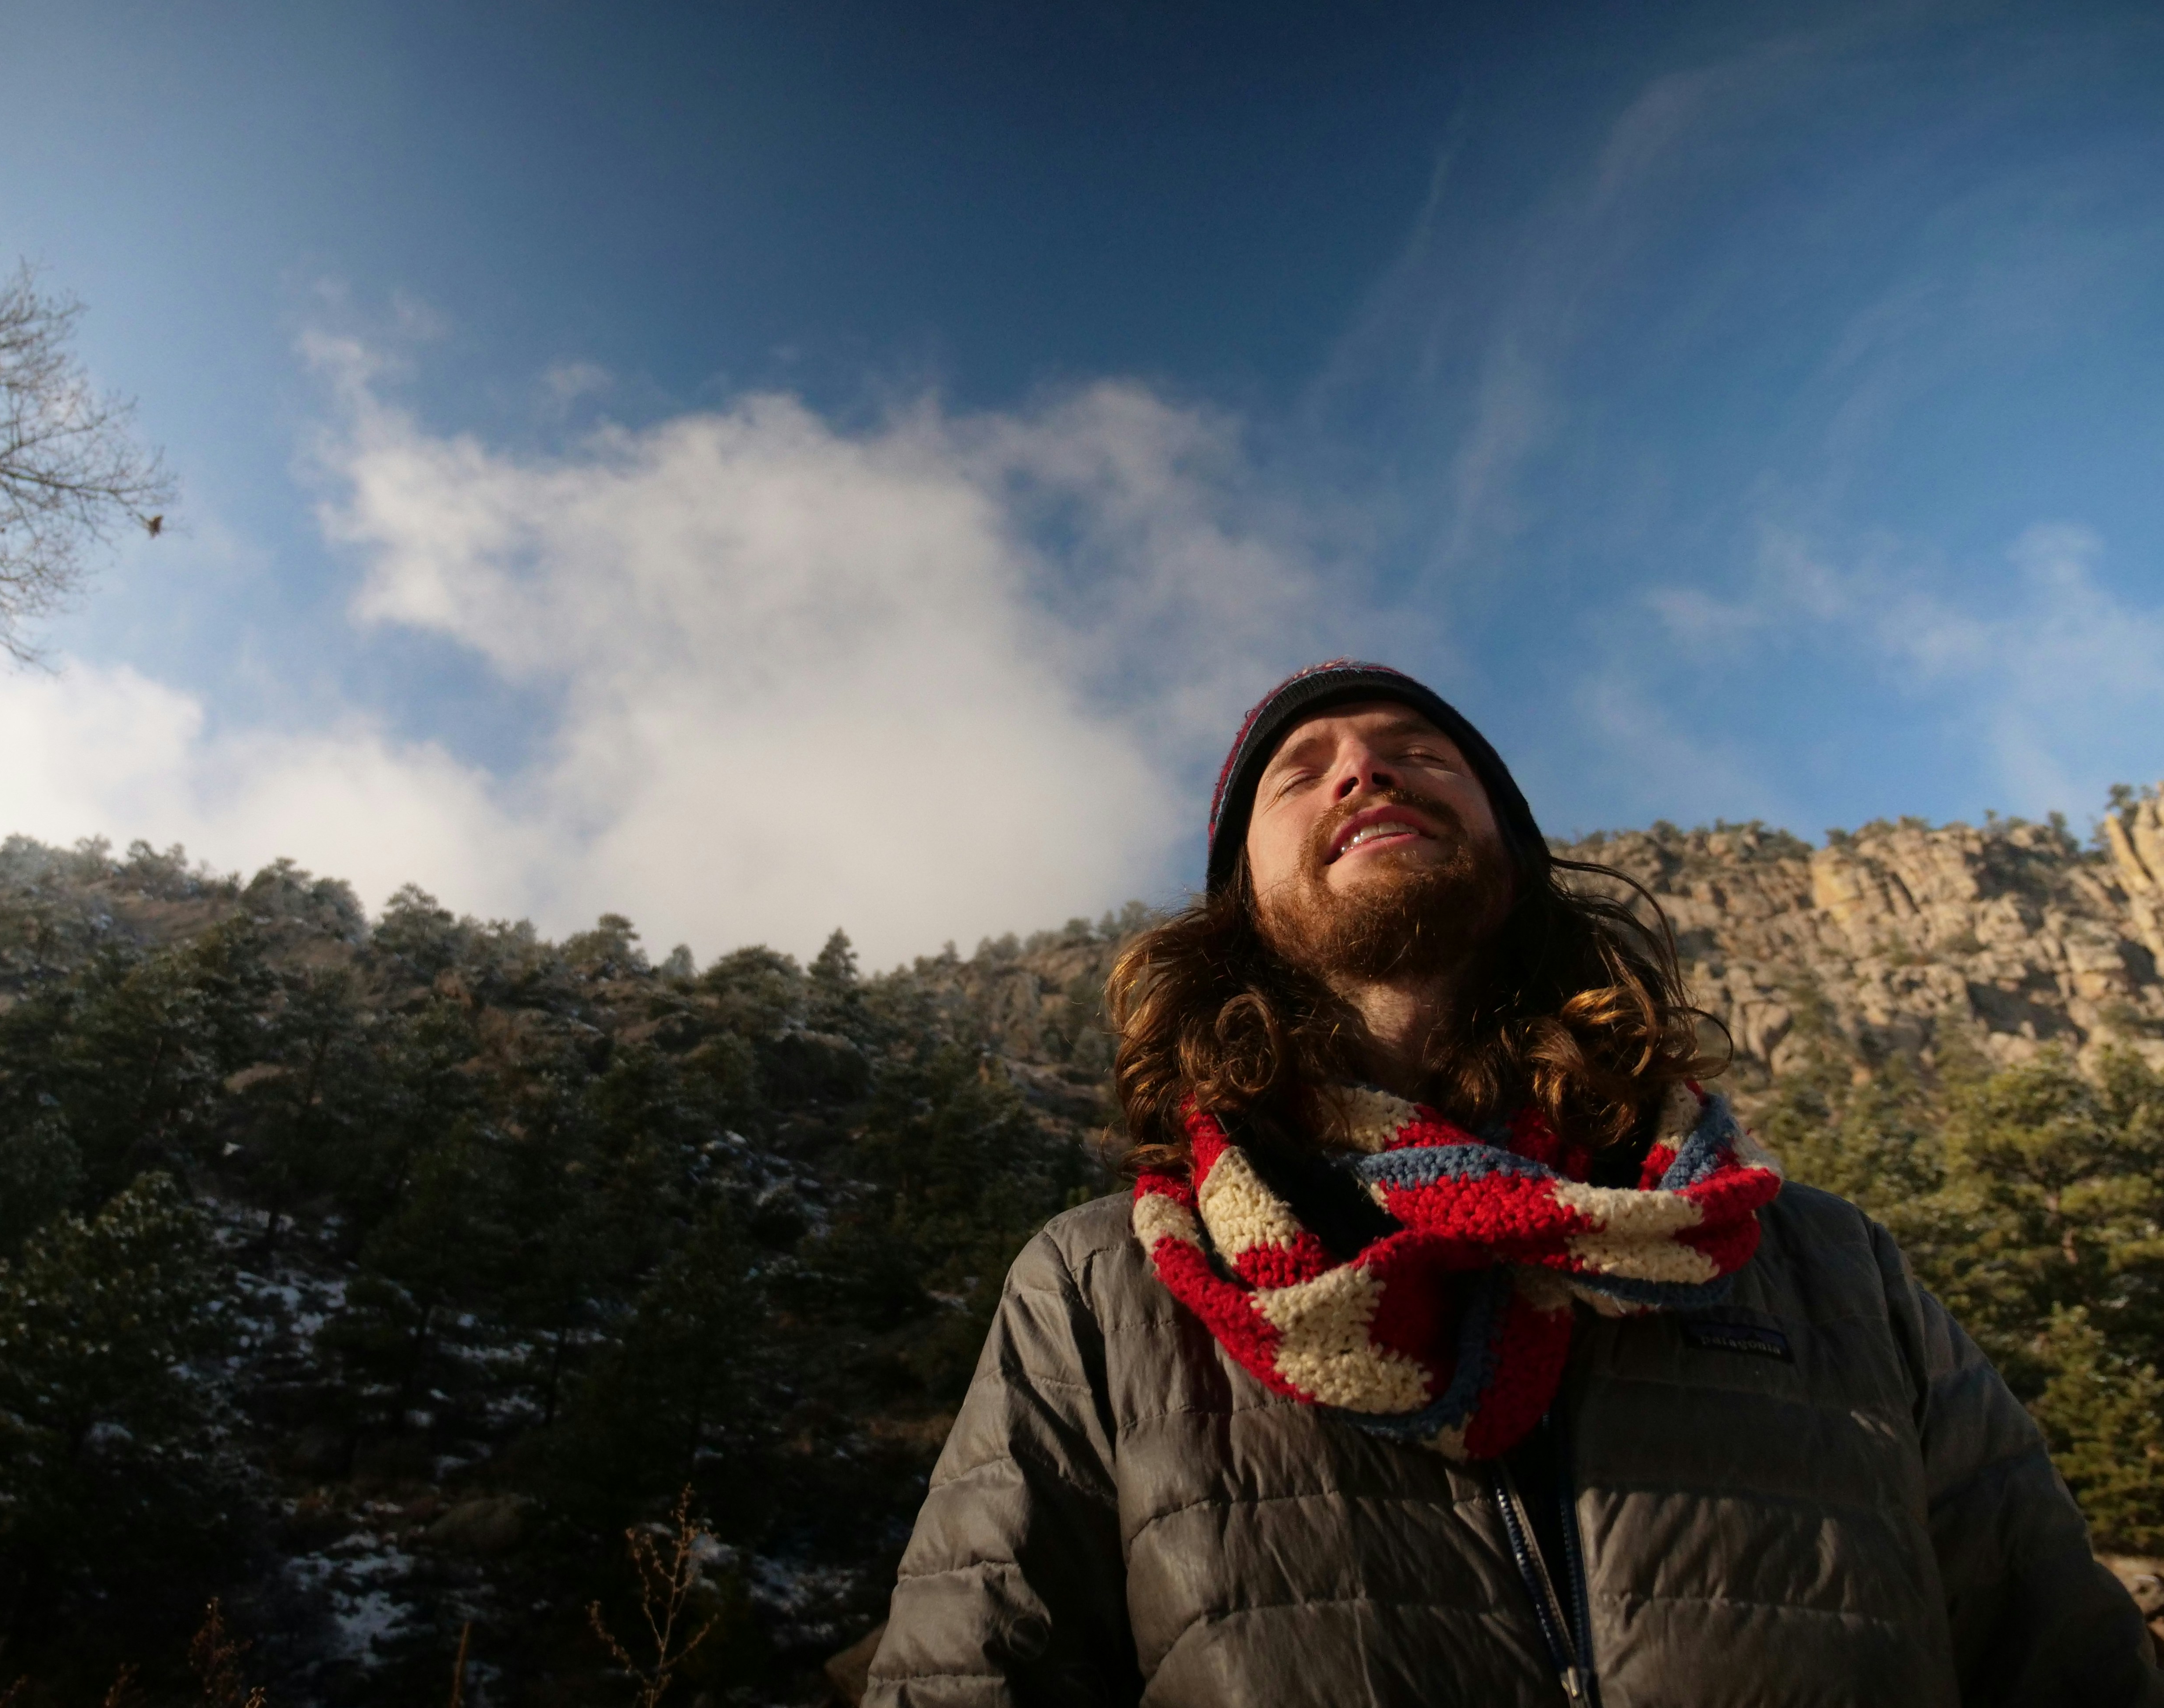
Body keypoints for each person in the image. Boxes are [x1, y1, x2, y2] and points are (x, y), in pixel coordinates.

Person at [863, 660, 2163, 1708]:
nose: (1364, 768)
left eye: (1420, 752)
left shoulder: (1824, 1267)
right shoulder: (1106, 1289)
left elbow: (2064, 1664)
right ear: (1241, 911)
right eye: (1300, 773)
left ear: (1516, 852)